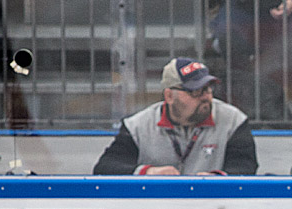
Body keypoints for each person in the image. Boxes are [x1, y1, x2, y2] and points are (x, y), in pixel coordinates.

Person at [92, 57, 258, 176]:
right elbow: (105, 167)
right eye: (195, 92)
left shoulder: (233, 121)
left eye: (208, 89)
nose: (205, 97)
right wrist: (148, 172)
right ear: (169, 96)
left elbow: (245, 165)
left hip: (215, 208)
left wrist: (218, 178)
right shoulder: (138, 126)